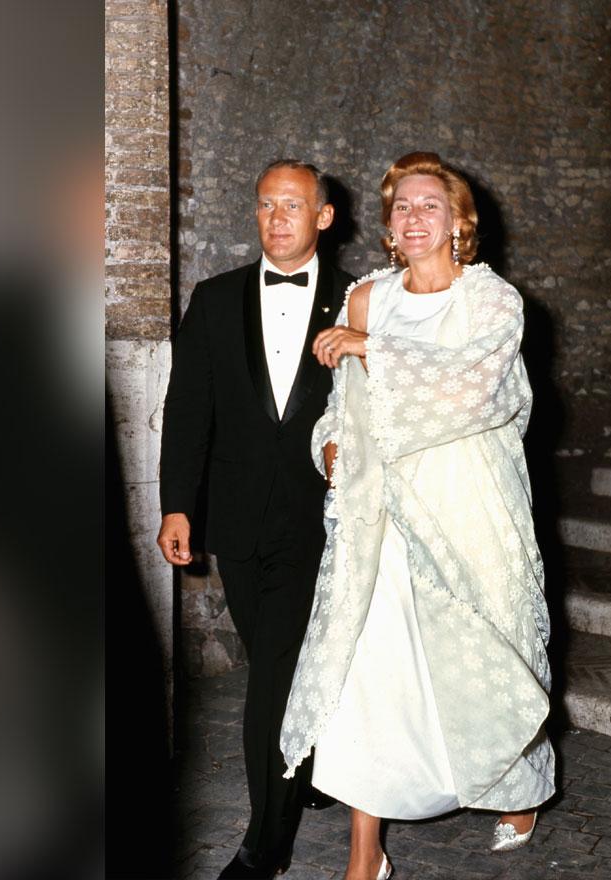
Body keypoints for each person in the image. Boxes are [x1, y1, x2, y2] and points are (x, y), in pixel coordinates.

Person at [280, 152, 555, 880]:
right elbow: (345, 407)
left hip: (471, 502)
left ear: (459, 222)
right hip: (384, 513)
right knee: (367, 662)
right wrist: (330, 446)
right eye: (402, 206)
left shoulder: (492, 301)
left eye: (430, 204)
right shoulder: (368, 297)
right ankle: (365, 849)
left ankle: (512, 782)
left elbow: (476, 390)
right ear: (390, 226)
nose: (414, 216)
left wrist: (375, 350)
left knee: (492, 645)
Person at [157, 159, 352, 880]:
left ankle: (264, 844)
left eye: (292, 206)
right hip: (236, 522)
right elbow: (188, 411)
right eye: (266, 204)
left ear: (324, 217)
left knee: (268, 674)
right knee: (281, 659)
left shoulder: (361, 301)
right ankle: (307, 768)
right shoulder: (214, 300)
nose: (276, 219)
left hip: (320, 520)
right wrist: (177, 503)